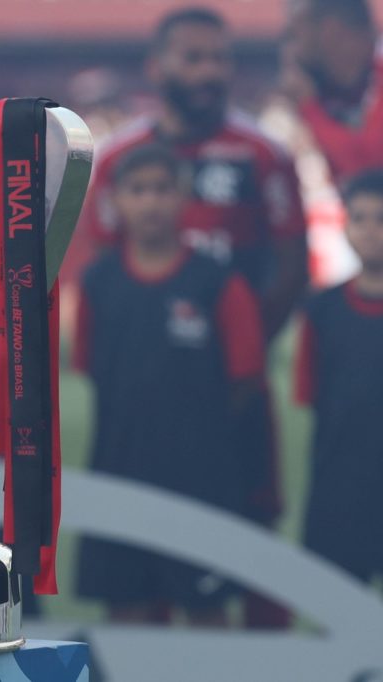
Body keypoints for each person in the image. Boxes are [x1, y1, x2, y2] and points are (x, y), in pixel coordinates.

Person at [78, 6, 307, 627]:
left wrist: (238, 347)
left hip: (233, 382)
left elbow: (292, 262)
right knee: (131, 545)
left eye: (221, 59)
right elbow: (102, 274)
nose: (211, 71)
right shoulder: (120, 157)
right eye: (195, 57)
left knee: (247, 530)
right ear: (158, 67)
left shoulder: (262, 154)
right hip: (142, 392)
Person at [74, 143, 266, 625]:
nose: (151, 202)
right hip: (120, 473)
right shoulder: (98, 283)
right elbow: (90, 368)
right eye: (138, 190)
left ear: (182, 199)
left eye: (163, 189)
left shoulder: (218, 281)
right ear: (116, 200)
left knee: (206, 618)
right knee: (127, 620)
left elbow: (245, 379)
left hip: (202, 482)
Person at [295, 168, 383, 583]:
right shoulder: (322, 309)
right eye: (359, 218)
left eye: (380, 219)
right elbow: (310, 396)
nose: (369, 231)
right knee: (343, 615)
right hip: (341, 486)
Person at [283, 0, 383, 186]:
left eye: (293, 36)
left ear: (330, 31)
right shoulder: (338, 92)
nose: (290, 51)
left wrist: (309, 109)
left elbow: (366, 182)